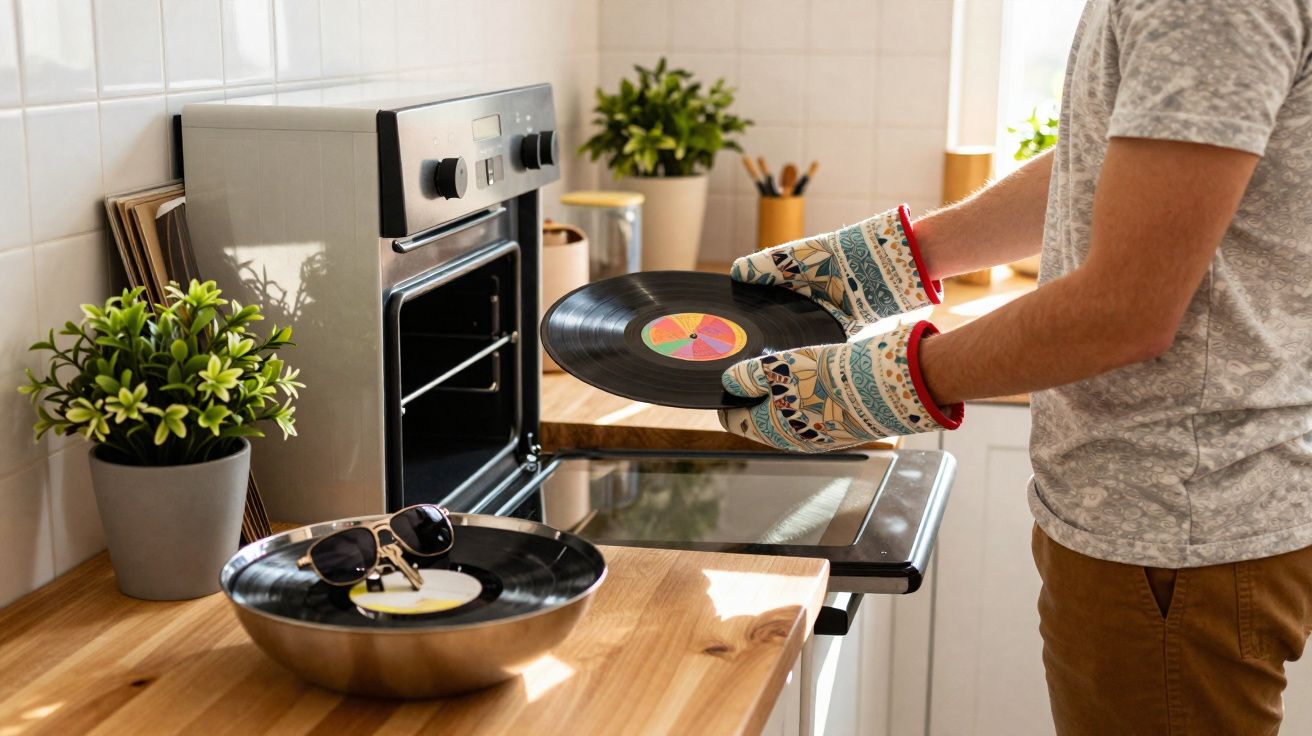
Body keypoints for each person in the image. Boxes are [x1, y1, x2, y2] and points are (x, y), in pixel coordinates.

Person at [719, 1, 1312, 732]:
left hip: (1173, 534)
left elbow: (1125, 310)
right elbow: (1116, 163)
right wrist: (893, 262)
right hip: (1158, 522)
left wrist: (876, 384)